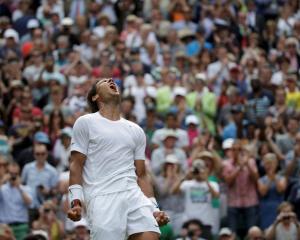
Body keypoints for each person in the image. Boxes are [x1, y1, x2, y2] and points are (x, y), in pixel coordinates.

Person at [67, 78, 169, 239]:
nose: (110, 80)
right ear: (95, 97)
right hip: (102, 198)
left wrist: (154, 209)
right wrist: (75, 202)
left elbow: (141, 174)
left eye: (111, 80)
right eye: (103, 81)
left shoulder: (136, 130)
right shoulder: (85, 122)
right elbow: (76, 165)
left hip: (134, 195)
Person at [0, 162, 32, 240]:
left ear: (19, 174)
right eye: (11, 173)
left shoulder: (25, 188)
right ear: (7, 173)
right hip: (5, 226)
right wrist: (2, 180)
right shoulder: (2, 188)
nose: (13, 176)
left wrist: (19, 187)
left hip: (21, 226)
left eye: (15, 174)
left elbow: (29, 203)